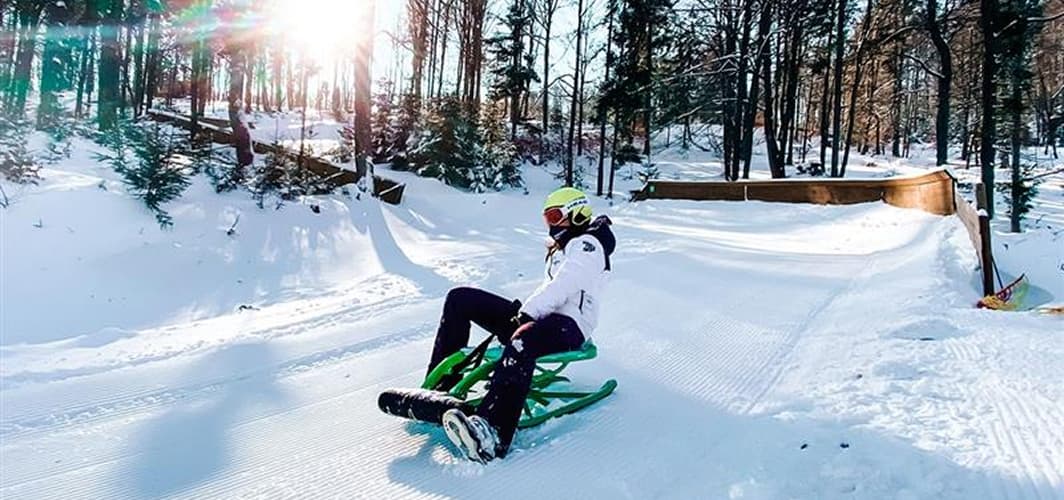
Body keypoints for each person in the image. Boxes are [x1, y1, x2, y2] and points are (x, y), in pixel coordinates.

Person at [428, 187, 616, 463]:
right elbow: (551, 290)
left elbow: (566, 283)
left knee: (522, 341)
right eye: (547, 219)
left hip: (571, 326)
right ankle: (440, 388)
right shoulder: (567, 245)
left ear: (577, 214)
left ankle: (493, 432)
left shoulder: (590, 244)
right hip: (541, 317)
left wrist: (527, 314)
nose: (551, 226)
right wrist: (526, 312)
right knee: (460, 299)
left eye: (555, 217)